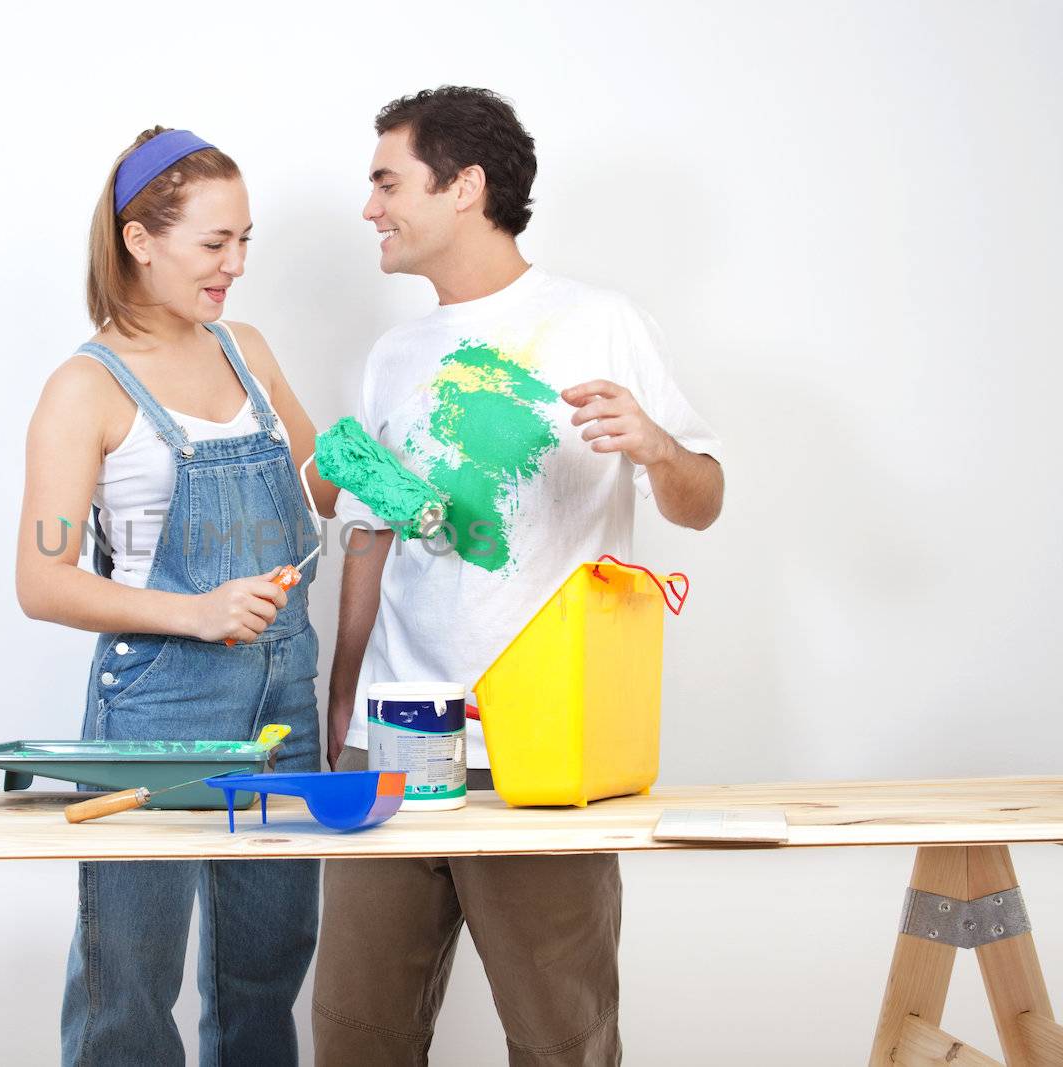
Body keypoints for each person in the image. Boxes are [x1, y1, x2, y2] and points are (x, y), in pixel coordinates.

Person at [312, 87, 726, 1066]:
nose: (369, 207)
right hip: (390, 754)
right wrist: (339, 706)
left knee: (560, 1043)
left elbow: (701, 498)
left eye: (387, 181)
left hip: (538, 756)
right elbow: (370, 540)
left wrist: (655, 445)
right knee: (354, 1040)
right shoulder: (391, 355)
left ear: (464, 185)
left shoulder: (597, 321)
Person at [15, 126, 338, 1066]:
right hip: (160, 701)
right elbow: (43, 581)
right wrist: (196, 612)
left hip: (284, 689)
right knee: (130, 980)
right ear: (138, 238)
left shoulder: (248, 350)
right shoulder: (85, 387)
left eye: (245, 242)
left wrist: (383, 477)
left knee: (266, 971)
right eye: (213, 244)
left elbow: (320, 488)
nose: (234, 266)